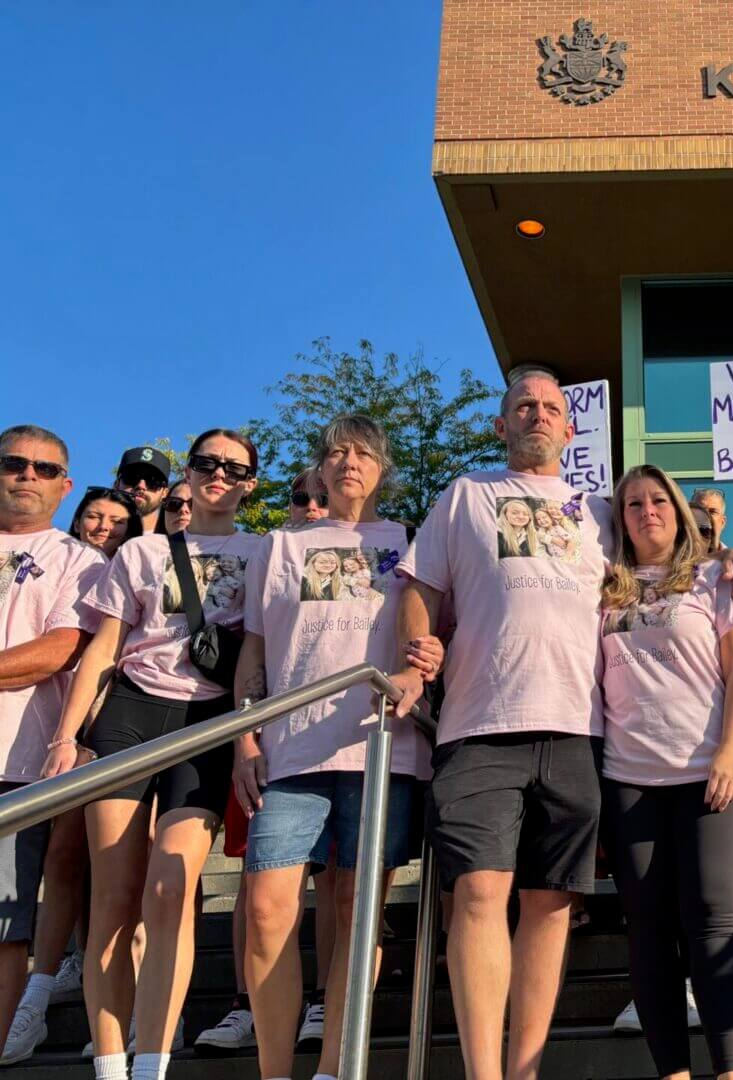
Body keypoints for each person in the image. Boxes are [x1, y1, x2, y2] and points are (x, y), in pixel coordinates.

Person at [388, 369, 733, 1080]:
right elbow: (420, 586)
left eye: (551, 407)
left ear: (569, 428)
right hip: (478, 722)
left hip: (580, 733)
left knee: (551, 904)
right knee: (479, 892)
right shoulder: (466, 494)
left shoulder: (600, 511)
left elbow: (674, 551)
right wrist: (415, 654)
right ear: (501, 425)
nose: (537, 414)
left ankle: (524, 1070)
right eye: (523, 405)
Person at [42, 429, 264, 1080]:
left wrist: (250, 732)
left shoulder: (265, 552)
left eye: (234, 467)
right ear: (187, 476)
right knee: (112, 896)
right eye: (206, 464)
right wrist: (66, 735)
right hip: (132, 716)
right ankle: (113, 1064)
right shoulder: (142, 553)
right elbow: (104, 650)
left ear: (251, 483)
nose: (218, 475)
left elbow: (260, 650)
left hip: (207, 724)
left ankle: (153, 1061)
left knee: (170, 887)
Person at [233, 415, 441, 1080]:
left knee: (357, 914)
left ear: (383, 469)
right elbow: (256, 651)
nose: (350, 462)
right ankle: (273, 1070)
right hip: (290, 751)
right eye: (337, 453)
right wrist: (244, 738)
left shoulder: (410, 544)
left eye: (365, 452)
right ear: (320, 469)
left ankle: (332, 1068)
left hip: (381, 749)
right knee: (267, 911)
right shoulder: (281, 547)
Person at [599, 465, 733, 1080]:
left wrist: (730, 747)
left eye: (659, 499)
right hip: (629, 779)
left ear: (679, 511)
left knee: (714, 927)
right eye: (633, 503)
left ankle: (732, 1072)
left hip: (709, 772)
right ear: (621, 518)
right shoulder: (602, 585)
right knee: (648, 933)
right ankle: (673, 1073)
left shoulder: (718, 579)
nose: (648, 511)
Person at [0, 427, 108, 1065]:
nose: (28, 477)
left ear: (65, 486)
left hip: (15, 762)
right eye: (15, 464)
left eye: (45, 470)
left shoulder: (78, 560)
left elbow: (60, 650)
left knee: (4, 928)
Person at [69, 487, 144, 560]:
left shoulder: (139, 571)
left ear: (128, 532)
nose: (103, 526)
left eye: (116, 521)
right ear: (77, 524)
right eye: (93, 517)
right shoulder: (58, 557)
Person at [113, 447, 172, 535]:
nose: (141, 486)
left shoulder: (174, 544)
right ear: (116, 484)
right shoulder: (92, 535)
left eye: (153, 481)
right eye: (132, 477)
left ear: (164, 493)